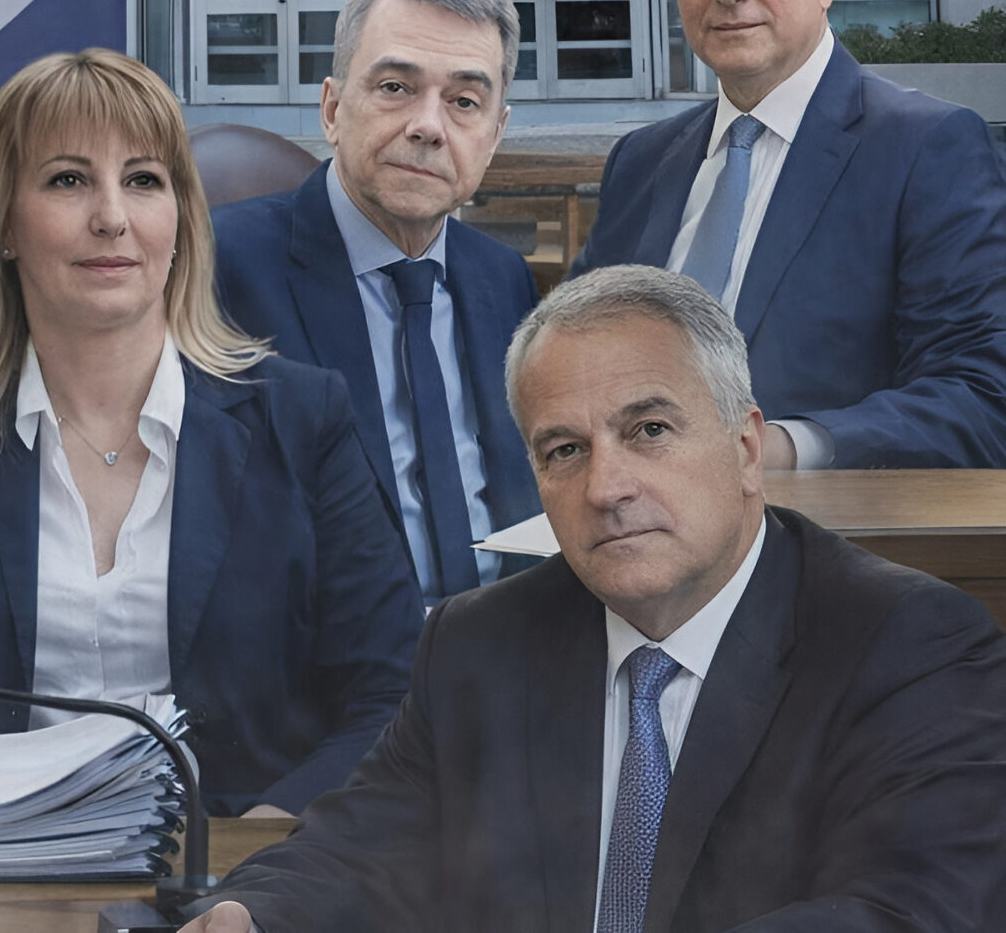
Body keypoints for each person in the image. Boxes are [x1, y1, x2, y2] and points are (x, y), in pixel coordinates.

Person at [183, 263, 1006, 933]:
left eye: (649, 430)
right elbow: (361, 843)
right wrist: (251, 913)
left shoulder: (909, 642)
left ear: (748, 448)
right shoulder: (481, 642)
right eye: (564, 449)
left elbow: (910, 908)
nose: (606, 486)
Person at [0, 49, 422, 821]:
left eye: (143, 180)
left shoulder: (302, 418)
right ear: (3, 227)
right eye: (68, 179)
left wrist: (269, 841)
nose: (112, 216)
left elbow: (395, 690)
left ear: (180, 220)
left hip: (244, 882)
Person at [571, 0, 1006, 468]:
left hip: (816, 541)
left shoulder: (928, 150)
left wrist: (782, 448)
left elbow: (981, 398)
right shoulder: (641, 162)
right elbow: (579, 352)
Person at [212, 0, 539, 604]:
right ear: (332, 109)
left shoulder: (502, 279)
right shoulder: (220, 266)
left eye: (465, 101)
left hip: (507, 650)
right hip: (327, 679)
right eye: (395, 87)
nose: (427, 126)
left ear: (495, 133)